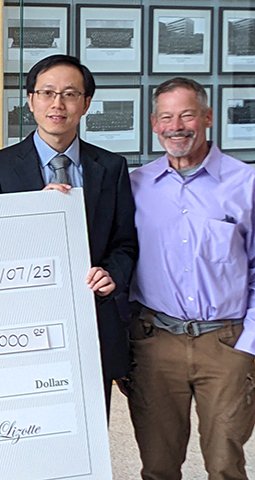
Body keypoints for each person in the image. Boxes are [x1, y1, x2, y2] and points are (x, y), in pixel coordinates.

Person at [0, 55, 138, 415]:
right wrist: (34, 213)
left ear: (86, 103)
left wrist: (112, 274)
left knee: (91, 423)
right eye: (47, 93)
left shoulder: (112, 167)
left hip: (92, 320)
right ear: (30, 100)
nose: (57, 104)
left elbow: (125, 242)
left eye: (69, 94)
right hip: (23, 324)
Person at [126, 77, 255, 480]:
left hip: (226, 344)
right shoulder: (134, 186)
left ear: (208, 117)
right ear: (154, 124)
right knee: (157, 466)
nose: (176, 127)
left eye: (187, 115)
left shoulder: (246, 183)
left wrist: (248, 346)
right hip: (156, 344)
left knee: (225, 465)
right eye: (166, 117)